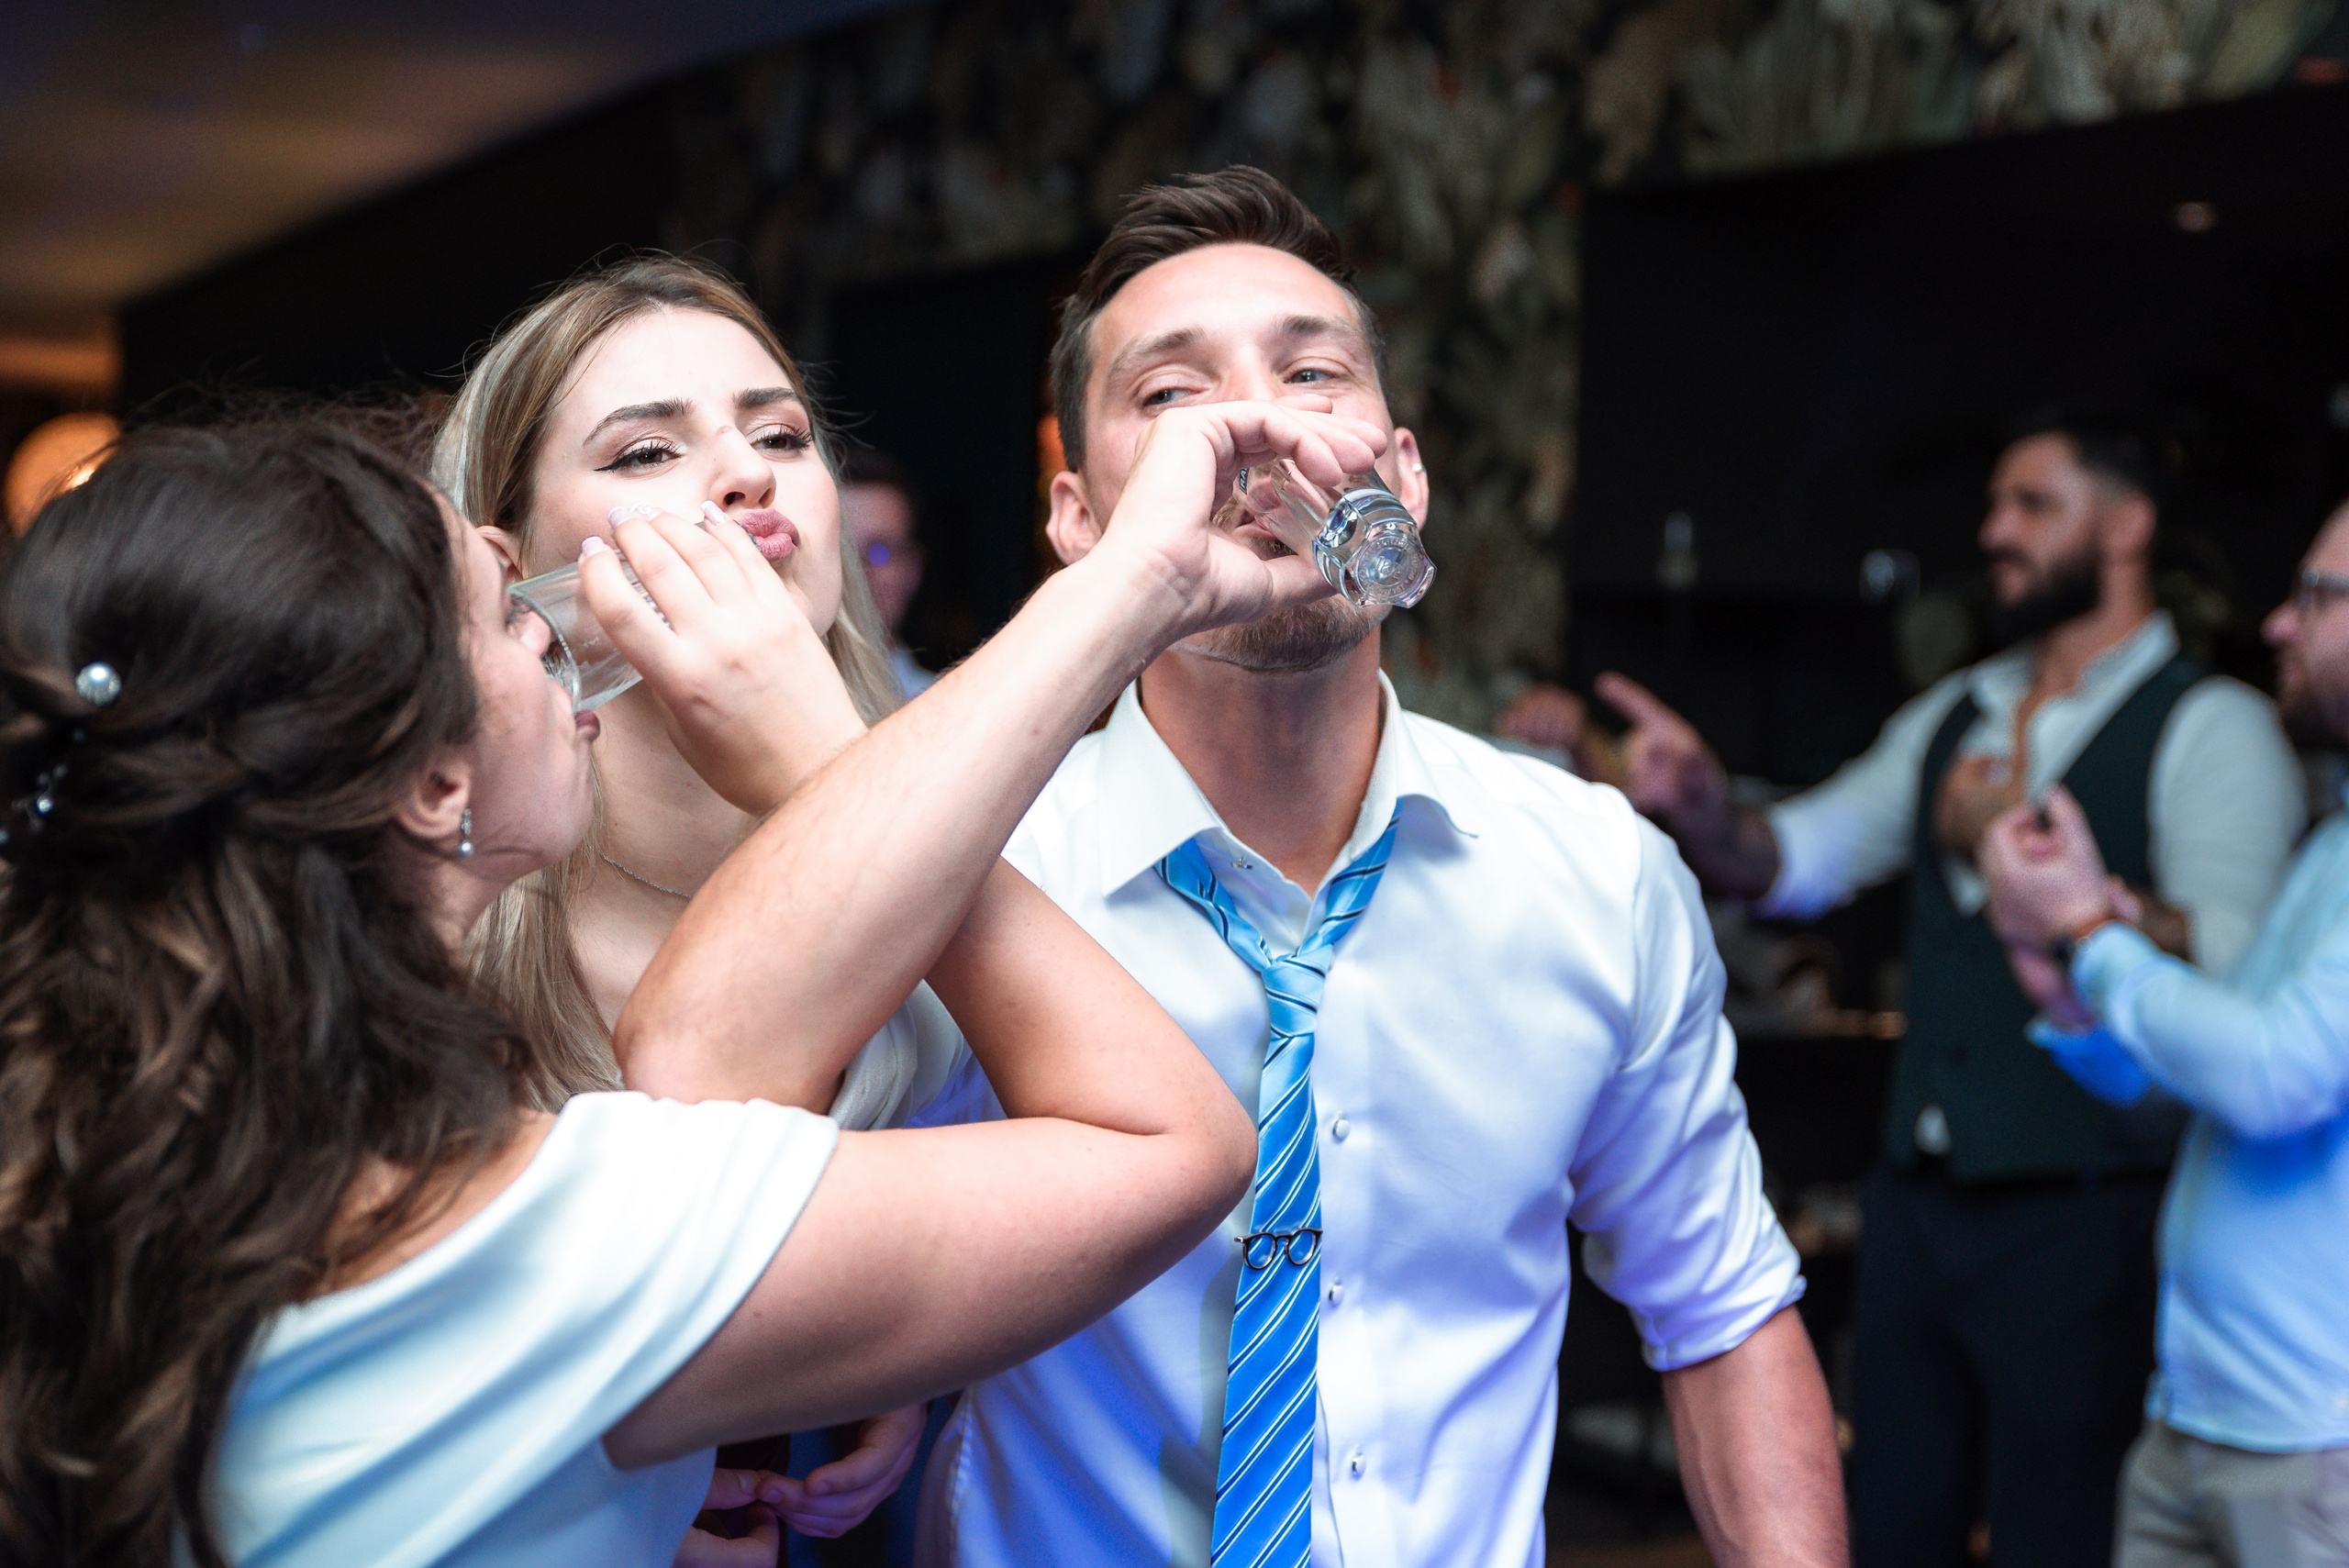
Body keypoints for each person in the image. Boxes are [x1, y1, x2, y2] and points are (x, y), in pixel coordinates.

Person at [0, 392, 1382, 1564]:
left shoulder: (131, 1146)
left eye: (778, 430)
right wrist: (882, 733)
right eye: (507, 618)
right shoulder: (545, 1239)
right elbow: (1173, 1141)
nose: (732, 482)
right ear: (432, 784)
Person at [901, 166, 1843, 1568]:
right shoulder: (959, 879)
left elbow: (1717, 1307)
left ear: (1401, 476)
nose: (1255, 423)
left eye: (1311, 372)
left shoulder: (1595, 876)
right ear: (1080, 521)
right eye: (1170, 395)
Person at [1592, 411, 2307, 1565]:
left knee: (2056, 1533)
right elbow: (1796, 860)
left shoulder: (2212, 726)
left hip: (2088, 1211)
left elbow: (2229, 968)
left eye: (2033, 505)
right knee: (1887, 1522)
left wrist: (2016, 855)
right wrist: (1702, 803)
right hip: (1919, 1205)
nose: (1995, 531)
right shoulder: (1959, 710)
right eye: (1995, 506)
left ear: (2125, 525)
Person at [434, 259, 947, 1545]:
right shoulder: (440, 911)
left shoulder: (968, 846)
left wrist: (908, 1363)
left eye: (780, 435)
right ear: (511, 567)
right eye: (649, 450)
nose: (748, 474)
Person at [1979, 500, 2349, 1568]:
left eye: (2316, 598)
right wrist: (2069, 996)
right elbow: (2215, 1084)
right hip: (2198, 1413)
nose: (2276, 625)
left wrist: (2092, 929)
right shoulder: (2332, 845)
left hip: (2311, 1445)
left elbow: (2275, 1074)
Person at [837, 448, 937, 698]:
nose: (858, 573)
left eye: (878, 551)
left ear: (913, 569)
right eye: (842, 552)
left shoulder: (953, 712)